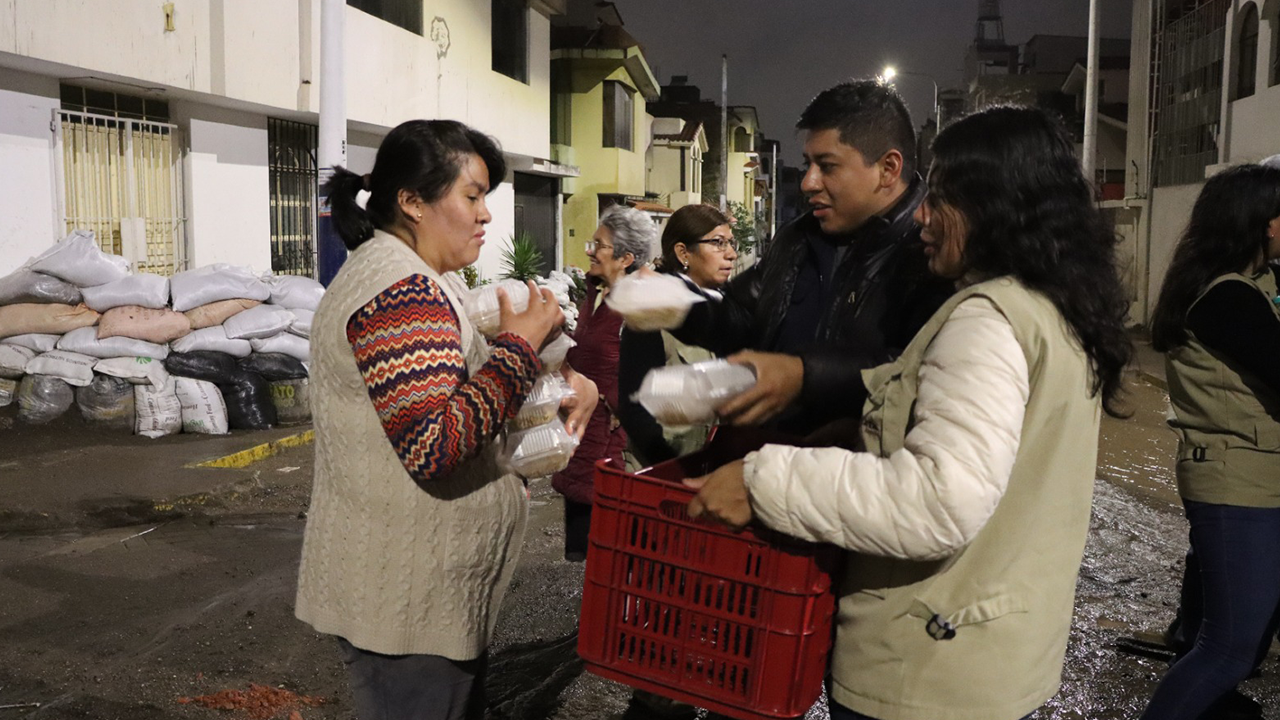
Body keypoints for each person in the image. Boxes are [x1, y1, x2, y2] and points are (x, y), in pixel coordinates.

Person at [686, 106, 1133, 720]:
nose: (922, 213)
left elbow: (937, 501)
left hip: (928, 672)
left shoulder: (986, 318)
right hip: (994, 659)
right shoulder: (1053, 308)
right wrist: (863, 428)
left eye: (942, 195)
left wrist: (763, 481)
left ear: (996, 205)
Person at [294, 119, 597, 720]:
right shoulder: (401, 291)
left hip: (423, 603)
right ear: (412, 202)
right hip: (404, 609)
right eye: (472, 195)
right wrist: (519, 349)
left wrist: (561, 380)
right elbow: (434, 441)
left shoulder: (429, 280)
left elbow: (459, 389)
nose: (485, 215)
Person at [668, 79, 952, 436]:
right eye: (808, 163)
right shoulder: (797, 238)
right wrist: (677, 307)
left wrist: (803, 375)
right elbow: (739, 316)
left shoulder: (934, 253)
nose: (808, 182)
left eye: (827, 166)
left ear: (888, 169)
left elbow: (919, 373)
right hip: (761, 466)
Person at [1139, 164, 1280, 720]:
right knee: (1226, 651)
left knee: (1241, 649)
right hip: (1238, 486)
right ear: (1263, 223)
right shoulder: (1225, 298)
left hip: (1258, 480)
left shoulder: (1248, 287)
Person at [552, 204, 655, 562]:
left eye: (599, 245)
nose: (590, 252)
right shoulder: (594, 294)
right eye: (591, 243)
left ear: (626, 258)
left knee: (608, 554)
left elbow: (649, 373)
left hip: (611, 444)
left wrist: (615, 402)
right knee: (582, 550)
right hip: (581, 433)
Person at [618, 204, 738, 468]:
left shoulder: (731, 311)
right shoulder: (653, 314)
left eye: (730, 242)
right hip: (663, 479)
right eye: (718, 243)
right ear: (683, 252)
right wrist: (675, 468)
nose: (731, 254)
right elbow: (634, 409)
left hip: (718, 474)